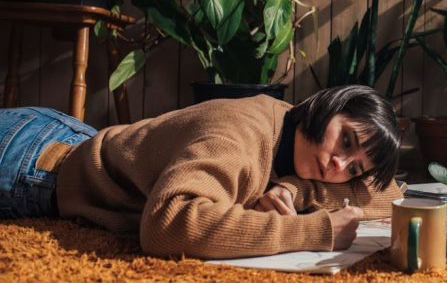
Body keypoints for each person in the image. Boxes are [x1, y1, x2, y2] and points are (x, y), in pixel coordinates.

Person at [0, 85, 404, 259]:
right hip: (32, 164)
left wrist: (296, 191)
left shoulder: (295, 132)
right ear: (328, 105)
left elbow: (390, 195)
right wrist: (316, 231)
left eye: (353, 170)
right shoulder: (238, 135)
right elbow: (168, 224)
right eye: (346, 142)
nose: (338, 165)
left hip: (78, 137)